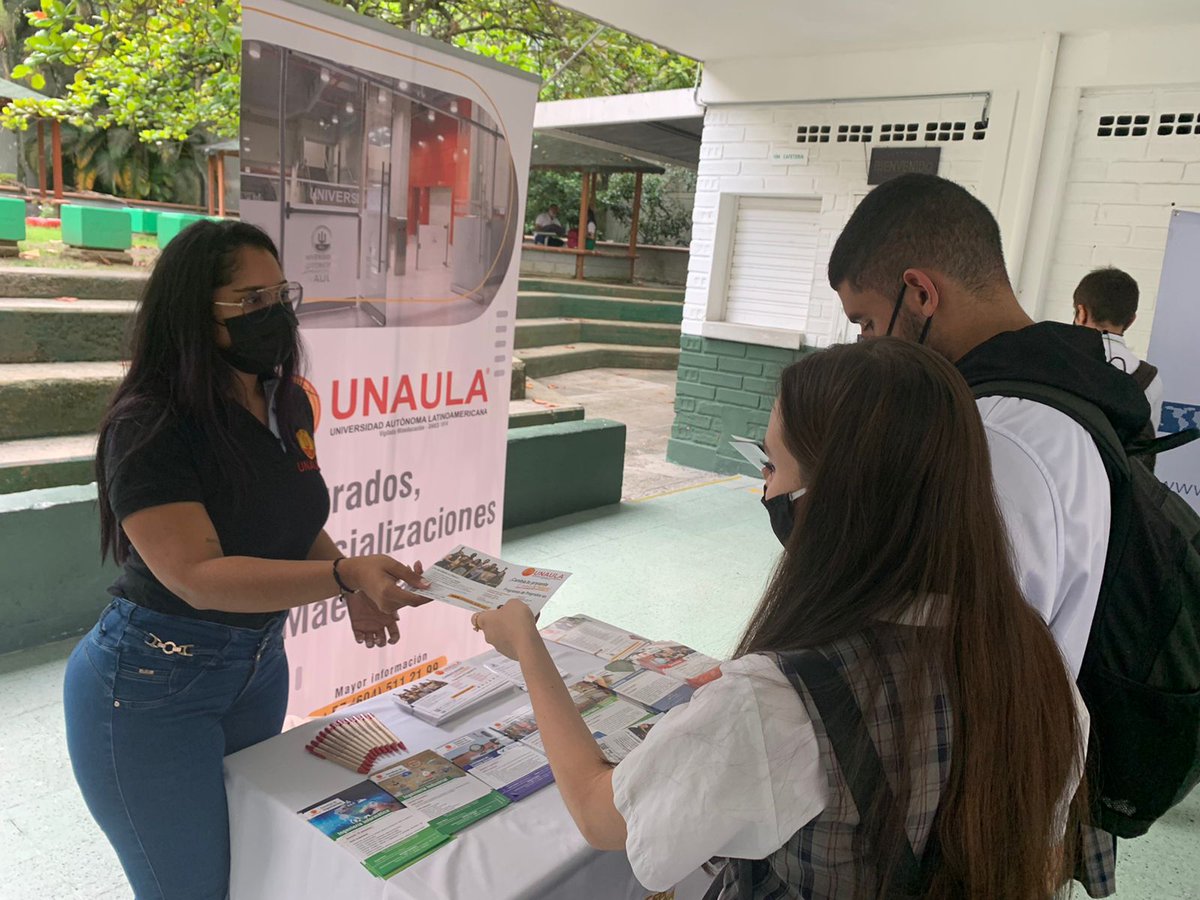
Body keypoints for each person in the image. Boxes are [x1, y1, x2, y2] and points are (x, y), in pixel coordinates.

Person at [476, 340, 1088, 899]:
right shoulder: (1038, 662)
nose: (765, 490)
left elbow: (599, 812)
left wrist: (529, 645)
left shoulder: (778, 703)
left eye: (772, 466)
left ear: (833, 499)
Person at [62, 220, 433, 900]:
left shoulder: (284, 399)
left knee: (260, 862)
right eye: (251, 300)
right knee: (190, 888)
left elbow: (293, 522)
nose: (277, 315)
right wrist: (341, 576)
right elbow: (196, 578)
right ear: (195, 314)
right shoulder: (151, 426)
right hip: (149, 686)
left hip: (258, 667)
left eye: (280, 293)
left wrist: (350, 585)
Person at [829, 174, 1150, 897]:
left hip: (973, 814)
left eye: (865, 323)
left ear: (920, 293)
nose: (866, 346)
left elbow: (947, 667)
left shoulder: (997, 438)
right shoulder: (1060, 392)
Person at [1073, 266, 1164, 432]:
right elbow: (1146, 449)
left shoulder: (1053, 357)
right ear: (1131, 321)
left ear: (1081, 313)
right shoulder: (1150, 380)